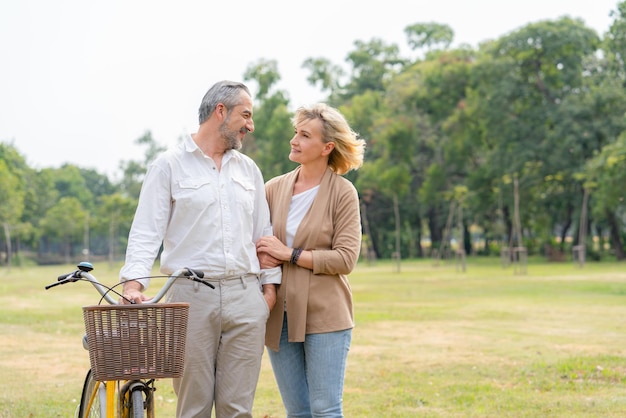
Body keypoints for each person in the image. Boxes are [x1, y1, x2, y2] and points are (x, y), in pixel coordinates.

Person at [119, 80, 281, 418]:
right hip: (189, 297)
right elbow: (147, 229)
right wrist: (133, 284)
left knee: (237, 409)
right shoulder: (168, 165)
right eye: (245, 115)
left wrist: (267, 291)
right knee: (192, 407)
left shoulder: (248, 170)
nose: (250, 125)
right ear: (220, 111)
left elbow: (262, 234)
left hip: (245, 296)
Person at [256, 103, 365, 417]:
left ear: (327, 147)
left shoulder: (344, 193)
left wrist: (288, 254)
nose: (294, 140)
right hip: (280, 316)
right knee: (297, 411)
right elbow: (258, 244)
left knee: (325, 409)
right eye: (296, 132)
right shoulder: (272, 189)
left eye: (305, 135)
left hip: (325, 315)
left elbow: (345, 259)